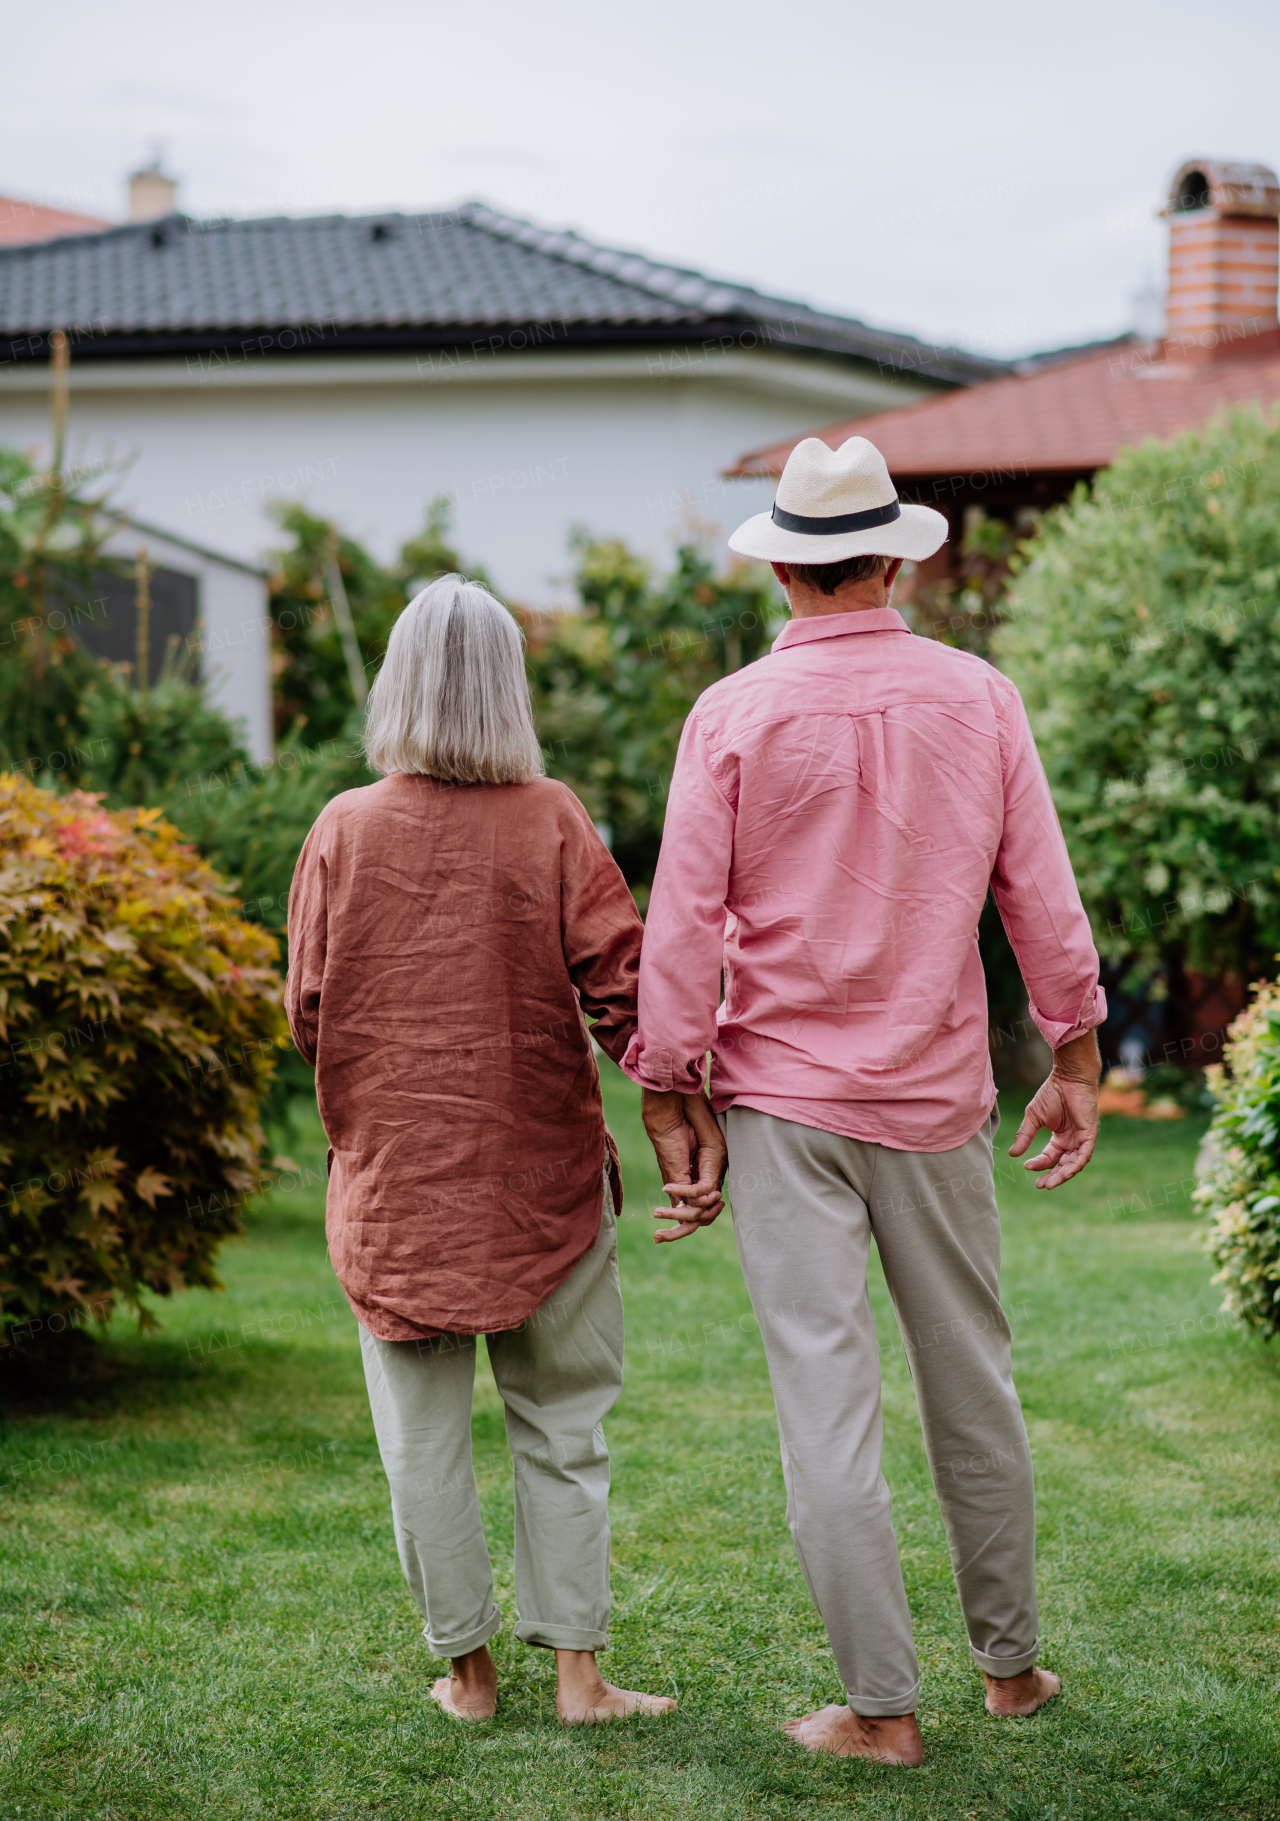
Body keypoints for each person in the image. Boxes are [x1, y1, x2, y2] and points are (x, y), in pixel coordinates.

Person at [625, 436, 1104, 1767]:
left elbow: (682, 926)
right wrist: (1072, 1056)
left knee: (823, 1405)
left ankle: (881, 1715)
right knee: (974, 1380)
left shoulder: (730, 716)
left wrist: (671, 1087)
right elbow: (1043, 904)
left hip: (783, 1105)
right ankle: (1010, 1674)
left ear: (782, 564)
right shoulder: (981, 698)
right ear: (895, 557)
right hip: (939, 1097)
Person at [286, 575, 682, 1725]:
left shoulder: (342, 829)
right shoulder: (552, 815)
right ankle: (579, 1680)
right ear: (507, 688)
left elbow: (306, 1009)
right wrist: (676, 1099)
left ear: (395, 685)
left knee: (421, 1442)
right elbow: (624, 989)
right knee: (562, 1426)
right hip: (540, 1180)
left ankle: (467, 1676)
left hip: (394, 1183)